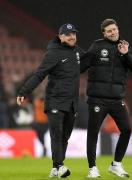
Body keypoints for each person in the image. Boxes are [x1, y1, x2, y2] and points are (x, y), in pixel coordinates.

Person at [16, 23, 84, 178]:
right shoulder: (53, 53)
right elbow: (39, 74)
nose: (72, 36)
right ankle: (60, 166)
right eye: (68, 34)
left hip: (71, 102)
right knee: (57, 133)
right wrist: (24, 91)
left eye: (74, 33)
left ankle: (55, 167)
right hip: (55, 100)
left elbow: (93, 61)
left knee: (65, 137)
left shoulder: (78, 52)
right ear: (60, 37)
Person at [80, 18, 132, 178]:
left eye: (115, 29)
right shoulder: (97, 46)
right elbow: (82, 66)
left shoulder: (124, 46)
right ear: (104, 34)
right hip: (97, 99)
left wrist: (126, 54)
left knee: (127, 130)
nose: (113, 32)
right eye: (109, 31)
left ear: (118, 29)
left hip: (116, 99)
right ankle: (92, 168)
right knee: (93, 133)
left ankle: (116, 165)